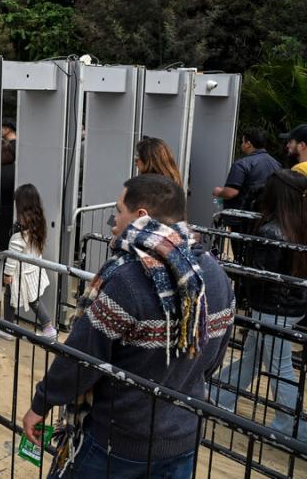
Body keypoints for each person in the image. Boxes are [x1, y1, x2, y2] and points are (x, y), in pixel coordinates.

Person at [22, 174, 234, 478]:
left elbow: (82, 358)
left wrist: (42, 402)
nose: (114, 219)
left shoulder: (127, 278)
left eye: (119, 210)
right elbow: (212, 354)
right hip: (183, 434)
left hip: (118, 439)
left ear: (141, 216)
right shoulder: (214, 273)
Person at [210, 170, 307, 439]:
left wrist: (226, 268)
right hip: (291, 306)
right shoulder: (298, 223)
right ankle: (219, 394)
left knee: (279, 367)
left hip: (271, 308)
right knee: (253, 355)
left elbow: (257, 276)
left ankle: (293, 427)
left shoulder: (271, 230)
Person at [2, 183, 55, 338]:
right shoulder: (38, 224)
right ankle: (48, 327)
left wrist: (7, 274)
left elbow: (12, 258)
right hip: (33, 271)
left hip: (20, 274)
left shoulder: (18, 235)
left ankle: (8, 328)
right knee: (34, 300)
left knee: (9, 297)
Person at [213, 127, 281, 212]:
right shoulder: (276, 164)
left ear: (248, 144)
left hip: (242, 217)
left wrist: (219, 192)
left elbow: (231, 192)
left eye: (242, 141)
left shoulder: (242, 164)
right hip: (265, 216)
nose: (241, 144)